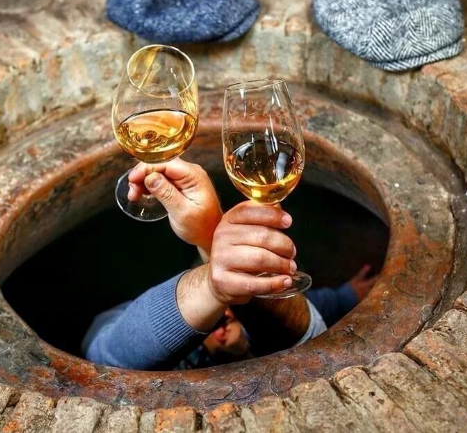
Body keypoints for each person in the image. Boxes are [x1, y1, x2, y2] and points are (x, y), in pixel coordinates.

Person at [81, 159, 376, 370]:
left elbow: (318, 306)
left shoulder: (250, 318)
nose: (220, 329)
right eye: (212, 325)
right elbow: (102, 355)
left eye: (224, 318)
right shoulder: (182, 359)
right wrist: (212, 287)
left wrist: (348, 295)